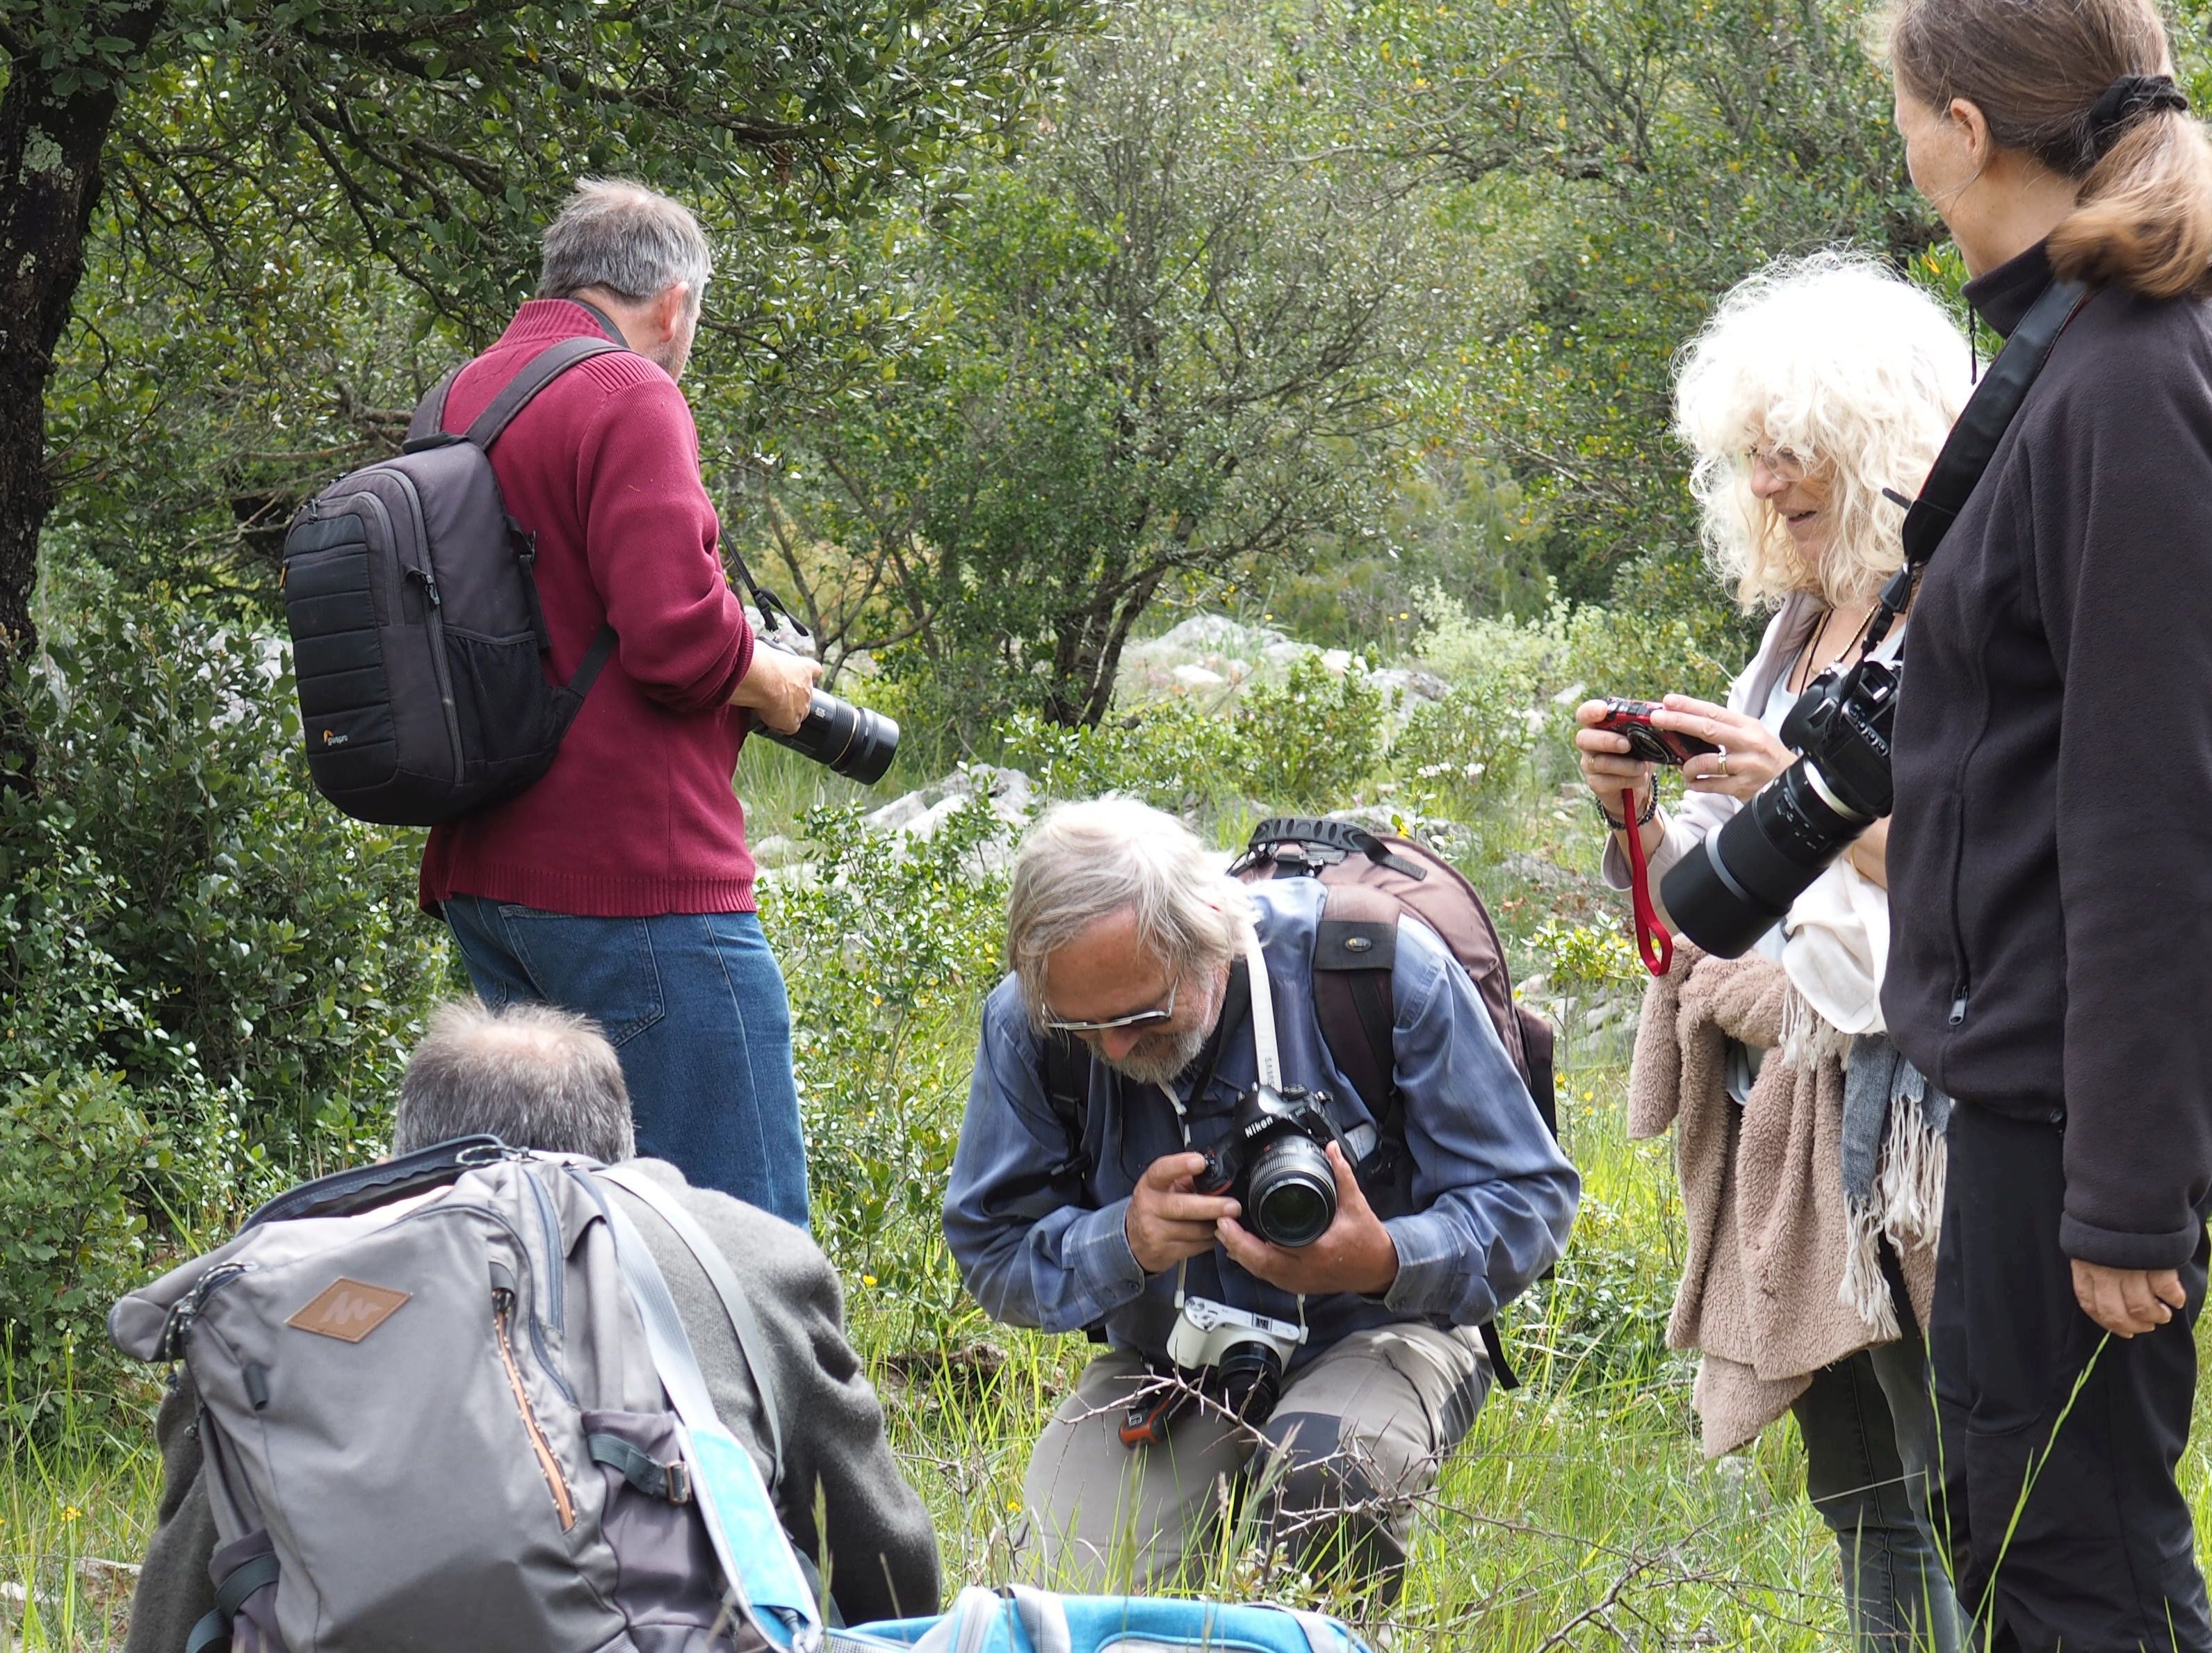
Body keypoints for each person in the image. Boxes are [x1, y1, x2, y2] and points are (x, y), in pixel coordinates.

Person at [1879, 0, 2212, 1652]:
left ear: (1964, 126)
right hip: (2052, 1066)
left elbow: (2166, 823)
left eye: (1903, 111)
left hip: (2085, 1092)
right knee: (2020, 1526)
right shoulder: (2094, 343)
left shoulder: (2129, 380)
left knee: (2076, 1563)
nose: (1900, 143)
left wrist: (2125, 1188)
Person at [1575, 255, 1971, 1652]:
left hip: (1922, 1114)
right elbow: (1728, 892)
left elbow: (1985, 873)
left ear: (1886, 437)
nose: (1770, 483)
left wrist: (1788, 792)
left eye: (1795, 448)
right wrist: (1645, 801)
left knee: (1962, 1483)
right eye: (1750, 455)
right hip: (1789, 1107)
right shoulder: (1801, 623)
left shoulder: (1965, 623)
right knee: (1860, 1487)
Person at [121, 999, 942, 1653]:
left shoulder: (281, 1290)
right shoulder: (746, 1252)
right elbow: (888, 1564)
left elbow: (186, 1589)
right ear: (618, 1147)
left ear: (406, 1152)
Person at [943, 797, 1578, 1599]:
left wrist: (1380, 1259)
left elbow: (1531, 1199)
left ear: (1211, 937)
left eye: (1142, 1014)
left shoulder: (1373, 968)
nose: (1113, 1048)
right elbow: (990, 1247)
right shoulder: (1031, 1024)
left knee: (1327, 1481)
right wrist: (1125, 1242)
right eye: (1083, 1028)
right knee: (1064, 1595)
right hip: (1175, 1355)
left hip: (1383, 1327)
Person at [423, 177, 824, 1226]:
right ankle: (759, 1403)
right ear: (676, 302)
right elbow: (676, 635)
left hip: (487, 873)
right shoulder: (628, 391)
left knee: (564, 1227)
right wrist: (773, 679)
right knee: (744, 1234)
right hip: (635, 881)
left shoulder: (462, 397)